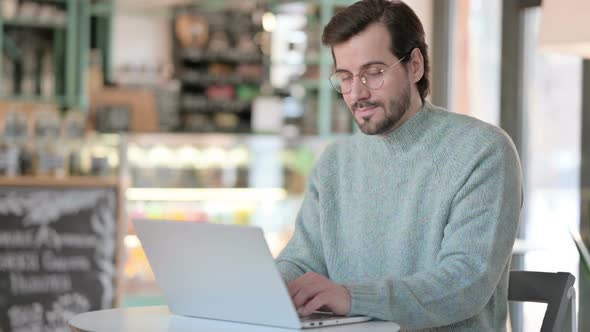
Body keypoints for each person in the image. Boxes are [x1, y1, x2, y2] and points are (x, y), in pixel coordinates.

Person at [275, 0, 523, 331]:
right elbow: (302, 261)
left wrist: (352, 298)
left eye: (373, 73)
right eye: (345, 77)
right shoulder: (334, 162)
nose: (356, 93)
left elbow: (465, 282)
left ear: (415, 65)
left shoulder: (482, 151)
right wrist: (262, 287)